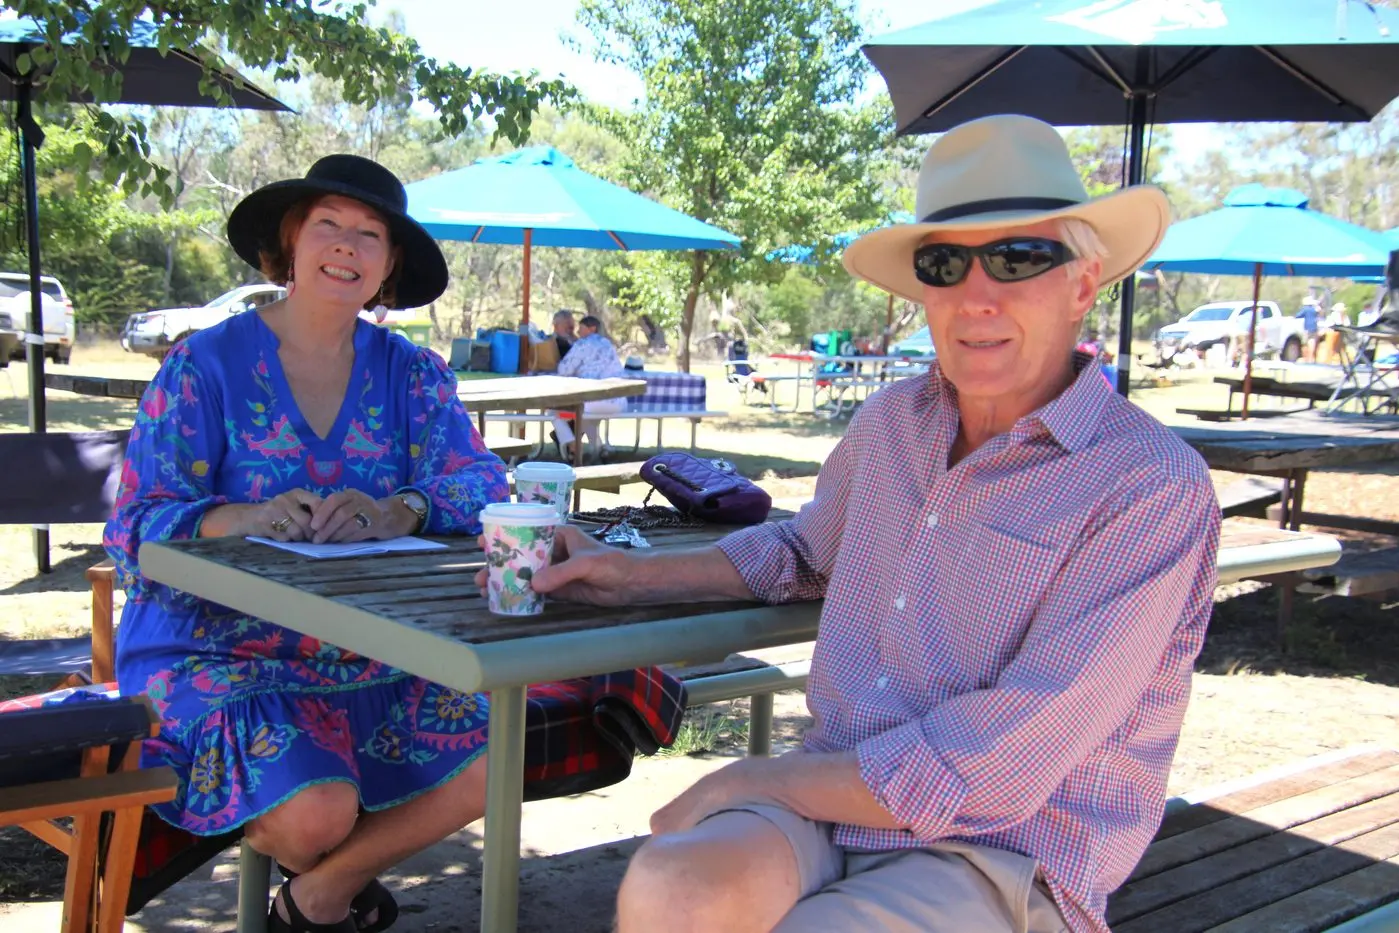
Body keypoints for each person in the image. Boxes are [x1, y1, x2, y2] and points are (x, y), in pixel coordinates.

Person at [492, 115, 1221, 933]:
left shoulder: (1146, 486)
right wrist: (627, 575)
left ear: (1083, 283)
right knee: (672, 884)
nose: (977, 294)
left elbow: (987, 770)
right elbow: (799, 553)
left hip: (1000, 850)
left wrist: (751, 778)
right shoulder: (892, 425)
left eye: (1019, 257)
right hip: (831, 799)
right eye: (944, 263)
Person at [104, 155, 510, 933]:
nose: (346, 246)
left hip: (379, 647)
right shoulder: (203, 363)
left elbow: (487, 487)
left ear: (389, 265)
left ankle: (317, 898)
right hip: (216, 648)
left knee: (499, 752)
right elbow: (133, 525)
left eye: (370, 234)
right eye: (328, 224)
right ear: (289, 242)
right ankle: (331, 872)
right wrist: (241, 516)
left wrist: (403, 507)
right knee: (317, 814)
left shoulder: (414, 375)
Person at [551, 314, 628, 459]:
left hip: (593, 401)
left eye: (581, 328)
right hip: (618, 402)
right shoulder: (608, 344)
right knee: (587, 417)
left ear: (592, 329)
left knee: (554, 412)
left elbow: (564, 370)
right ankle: (599, 449)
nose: (578, 332)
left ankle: (572, 446)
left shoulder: (582, 344)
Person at [1299, 298, 1321, 362]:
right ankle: (1313, 357)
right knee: (1313, 342)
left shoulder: (1305, 309)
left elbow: (1298, 315)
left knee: (1308, 342)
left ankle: (1309, 357)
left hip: (1308, 328)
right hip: (1315, 327)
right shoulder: (1314, 309)